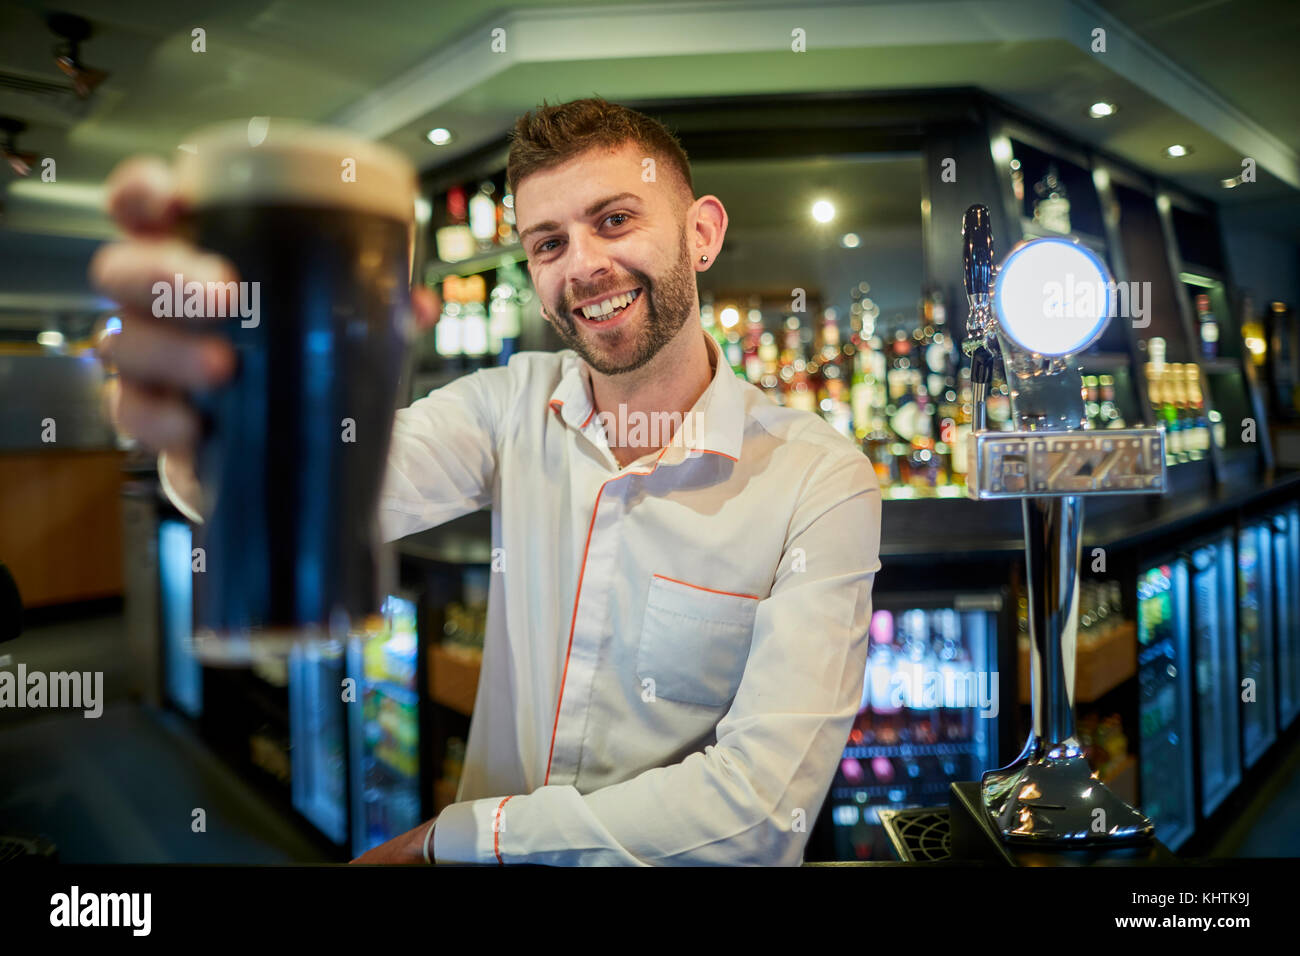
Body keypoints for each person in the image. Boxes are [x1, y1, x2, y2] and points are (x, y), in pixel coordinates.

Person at [91, 97, 882, 866]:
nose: (582, 266)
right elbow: (316, 488)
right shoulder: (508, 407)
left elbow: (761, 812)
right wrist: (215, 415)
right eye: (547, 243)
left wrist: (463, 839)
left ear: (702, 232)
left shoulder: (819, 479)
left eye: (614, 220)